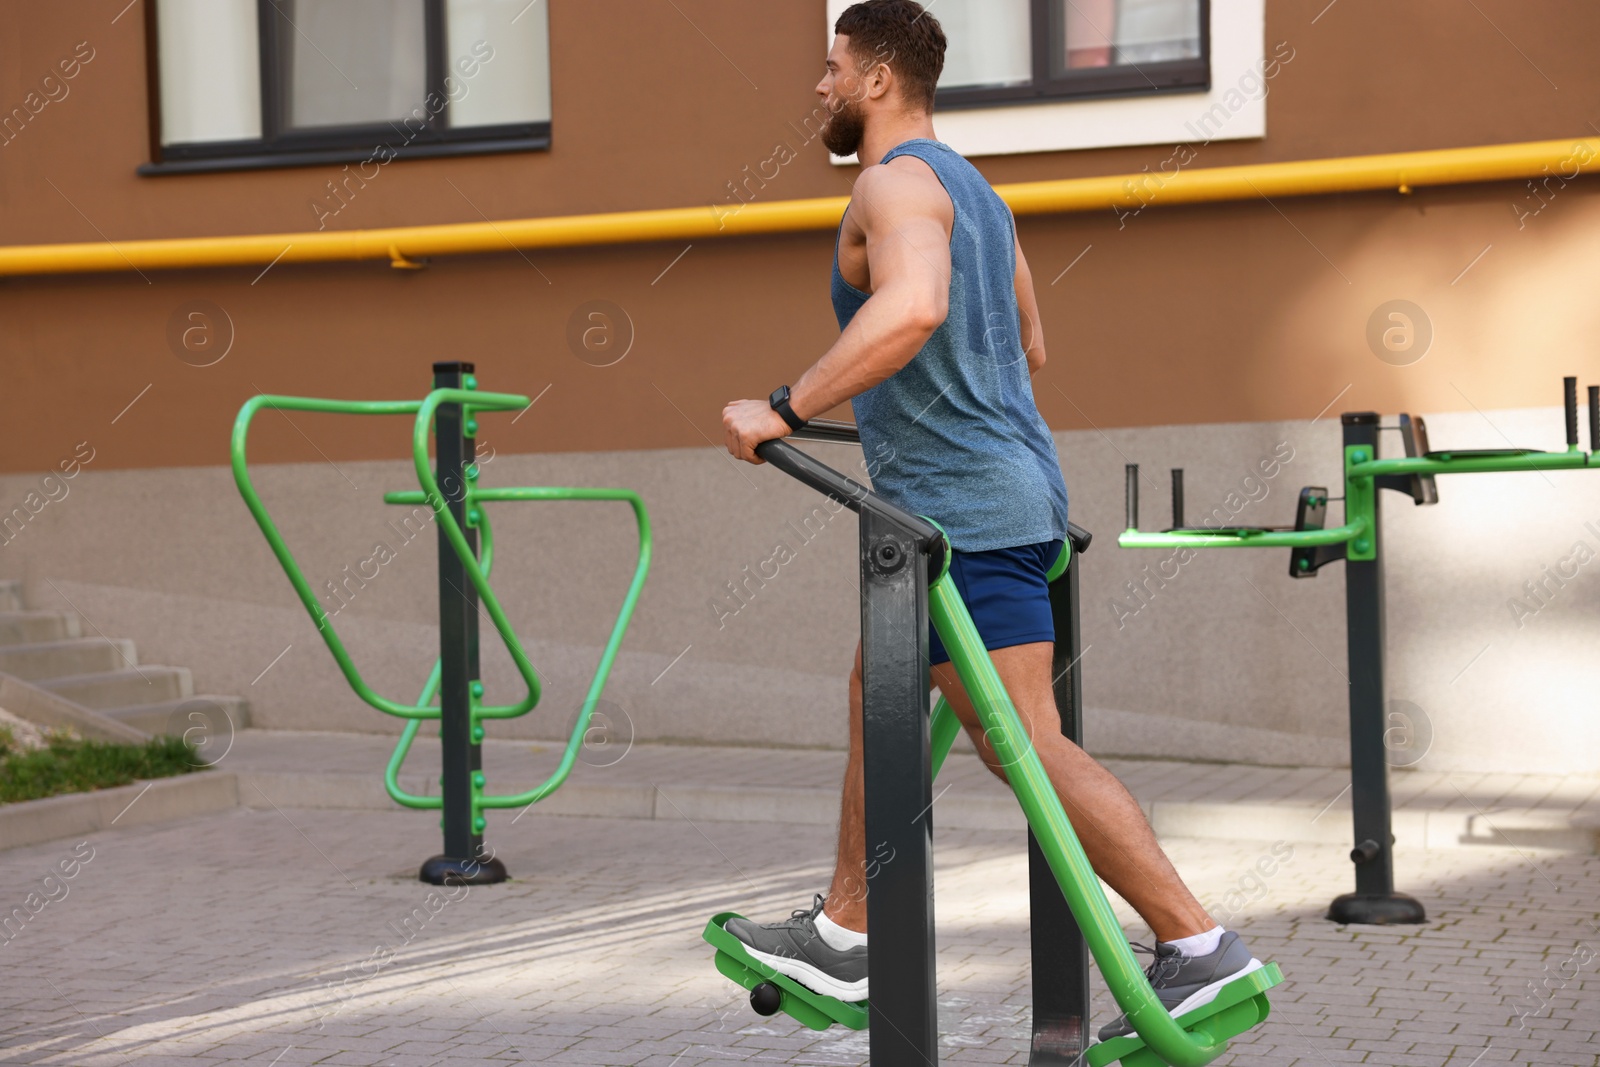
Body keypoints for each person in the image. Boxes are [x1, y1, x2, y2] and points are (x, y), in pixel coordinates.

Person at [719, 0, 1262, 1042]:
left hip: (962, 512)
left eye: (832, 68)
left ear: (878, 79)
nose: (820, 88)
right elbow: (1028, 342)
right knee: (884, 692)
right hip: (1010, 493)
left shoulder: (889, 184)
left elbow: (914, 305)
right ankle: (843, 927)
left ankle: (1197, 943)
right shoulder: (976, 194)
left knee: (1021, 738)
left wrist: (782, 408)